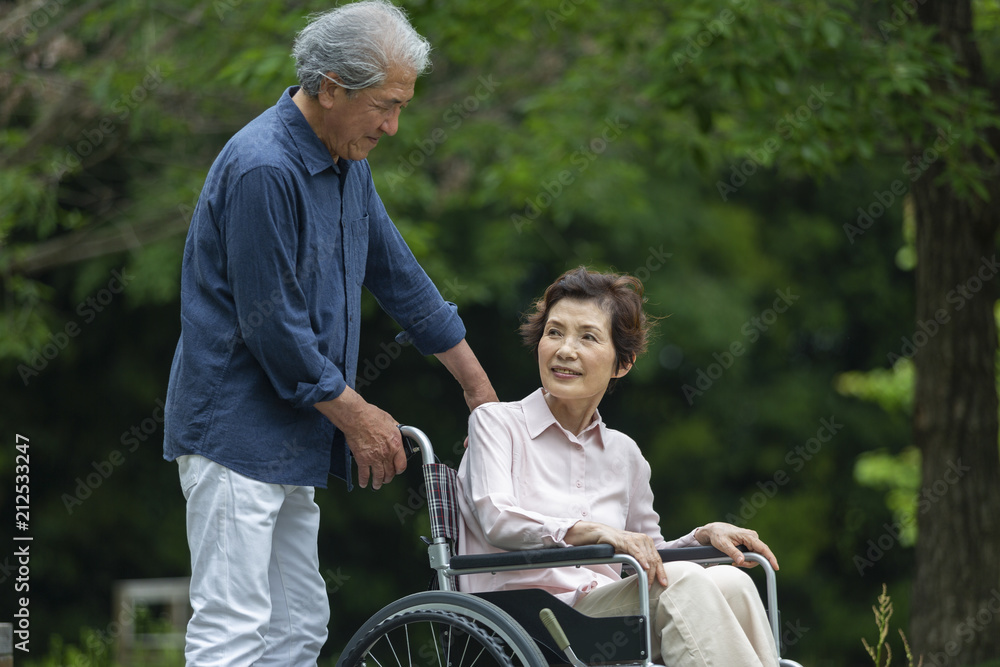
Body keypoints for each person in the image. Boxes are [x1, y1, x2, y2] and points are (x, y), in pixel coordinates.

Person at [162, 2, 496, 665]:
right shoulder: (264, 167)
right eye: (386, 105)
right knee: (234, 630)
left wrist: (479, 390)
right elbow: (274, 327)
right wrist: (359, 416)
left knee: (299, 627)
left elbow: (400, 276)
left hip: (294, 436)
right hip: (233, 434)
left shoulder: (347, 163)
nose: (394, 126)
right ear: (332, 86)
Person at [457, 266, 780, 667]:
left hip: (603, 612)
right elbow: (497, 519)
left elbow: (650, 554)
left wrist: (702, 537)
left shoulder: (625, 454)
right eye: (554, 332)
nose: (565, 350)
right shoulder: (496, 423)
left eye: (587, 337)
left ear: (621, 364)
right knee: (682, 585)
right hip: (526, 619)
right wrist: (592, 531)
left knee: (731, 580)